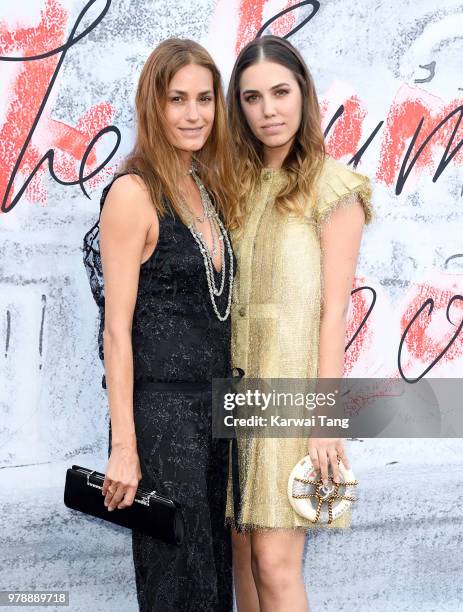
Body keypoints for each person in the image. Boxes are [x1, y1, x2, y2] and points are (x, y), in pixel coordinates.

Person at [82, 38, 239, 611]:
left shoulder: (205, 187)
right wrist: (125, 447)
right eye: (178, 99)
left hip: (215, 417)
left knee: (214, 580)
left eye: (205, 99)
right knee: (177, 585)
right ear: (154, 104)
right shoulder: (131, 193)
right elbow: (115, 331)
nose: (194, 114)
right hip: (161, 421)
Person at [225, 35, 374, 611]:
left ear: (304, 94)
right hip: (234, 388)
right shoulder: (234, 185)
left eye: (280, 92)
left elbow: (335, 313)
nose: (268, 111)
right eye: (252, 97)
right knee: (241, 554)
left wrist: (324, 421)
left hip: (293, 393)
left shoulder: (335, 188)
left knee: (275, 563)